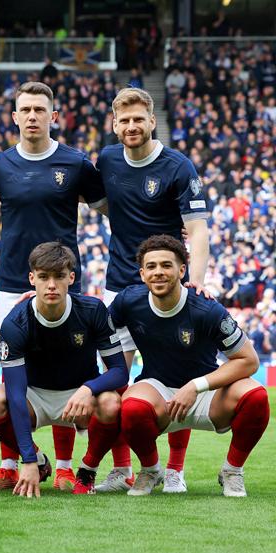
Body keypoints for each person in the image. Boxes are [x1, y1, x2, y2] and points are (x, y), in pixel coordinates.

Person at [0, 81, 107, 491]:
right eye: (25, 110)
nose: (32, 116)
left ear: (54, 116)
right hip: (12, 283)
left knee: (65, 372)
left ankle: (64, 467)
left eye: (40, 110)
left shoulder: (76, 163)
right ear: (14, 117)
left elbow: (110, 208)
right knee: (9, 374)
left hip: (63, 283)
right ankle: (11, 465)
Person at [94, 87, 211, 493]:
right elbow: (103, 205)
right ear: (114, 124)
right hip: (119, 286)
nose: (131, 126)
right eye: (124, 120)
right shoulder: (107, 159)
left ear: (151, 121)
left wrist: (196, 280)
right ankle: (122, 469)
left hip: (167, 288)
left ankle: (175, 469)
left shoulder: (178, 166)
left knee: (178, 376)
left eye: (138, 119)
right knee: (115, 381)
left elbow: (197, 230)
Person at [110, 235, 268, 497]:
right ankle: (150, 470)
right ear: (142, 273)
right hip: (158, 389)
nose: (158, 272)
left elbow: (249, 360)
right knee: (131, 407)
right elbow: (95, 328)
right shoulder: (128, 301)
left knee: (256, 397)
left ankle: (232, 471)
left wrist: (196, 386)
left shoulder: (207, 309)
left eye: (166, 265)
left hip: (208, 391)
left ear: (182, 270)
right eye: (151, 266)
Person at [0, 242, 128, 497]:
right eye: (43, 277)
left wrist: (89, 388)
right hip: (34, 396)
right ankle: (40, 462)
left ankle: (87, 471)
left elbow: (119, 371)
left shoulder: (92, 310)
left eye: (59, 276)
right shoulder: (15, 323)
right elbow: (16, 395)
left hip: (80, 396)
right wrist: (28, 459)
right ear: (32, 279)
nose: (51, 285)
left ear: (71, 278)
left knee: (111, 403)